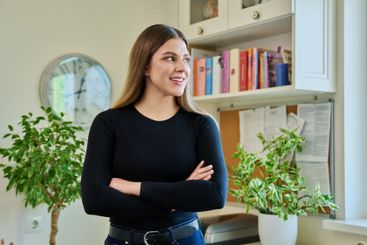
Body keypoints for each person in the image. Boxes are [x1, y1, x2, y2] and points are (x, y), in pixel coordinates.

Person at [81, 24, 228, 245]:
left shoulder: (202, 125)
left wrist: (135, 188)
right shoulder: (108, 123)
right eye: (170, 58)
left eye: (186, 59)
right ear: (145, 67)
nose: (183, 68)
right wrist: (181, 192)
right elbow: (94, 200)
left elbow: (215, 195)